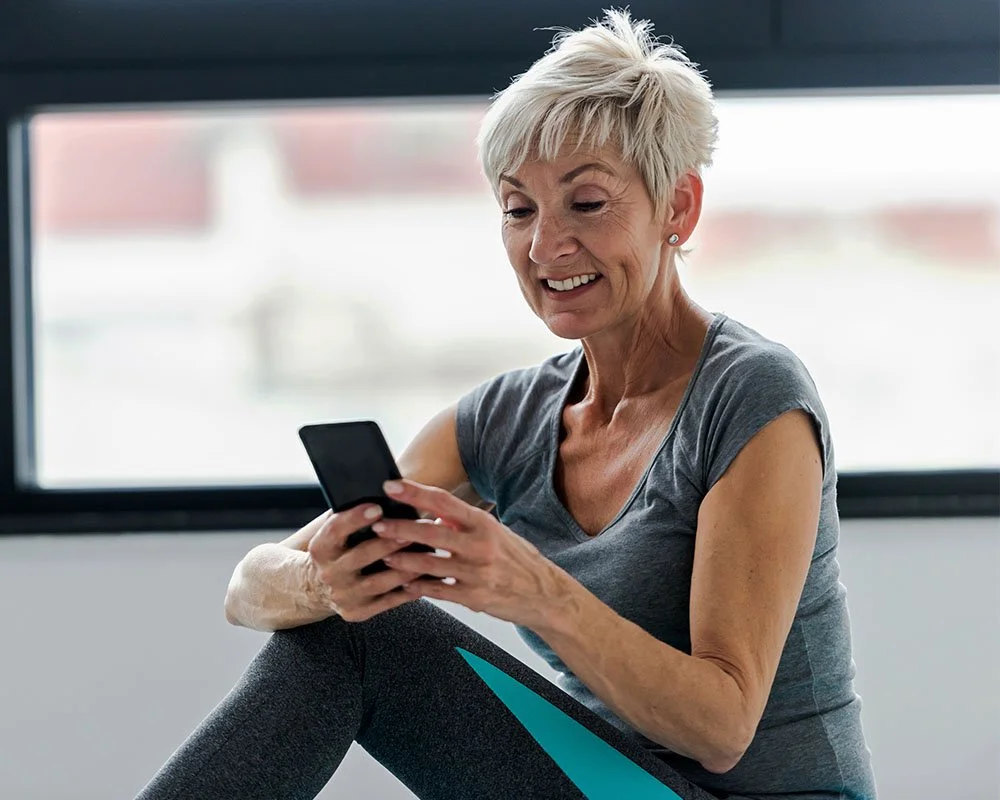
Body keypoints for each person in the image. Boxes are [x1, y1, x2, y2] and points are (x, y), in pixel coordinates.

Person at [136, 9, 877, 800]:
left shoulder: (753, 396)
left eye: (586, 204)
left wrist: (536, 590)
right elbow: (249, 587)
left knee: (372, 643)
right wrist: (328, 587)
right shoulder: (508, 420)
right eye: (519, 209)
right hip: (610, 783)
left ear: (678, 209)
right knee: (355, 632)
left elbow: (723, 728)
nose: (544, 245)